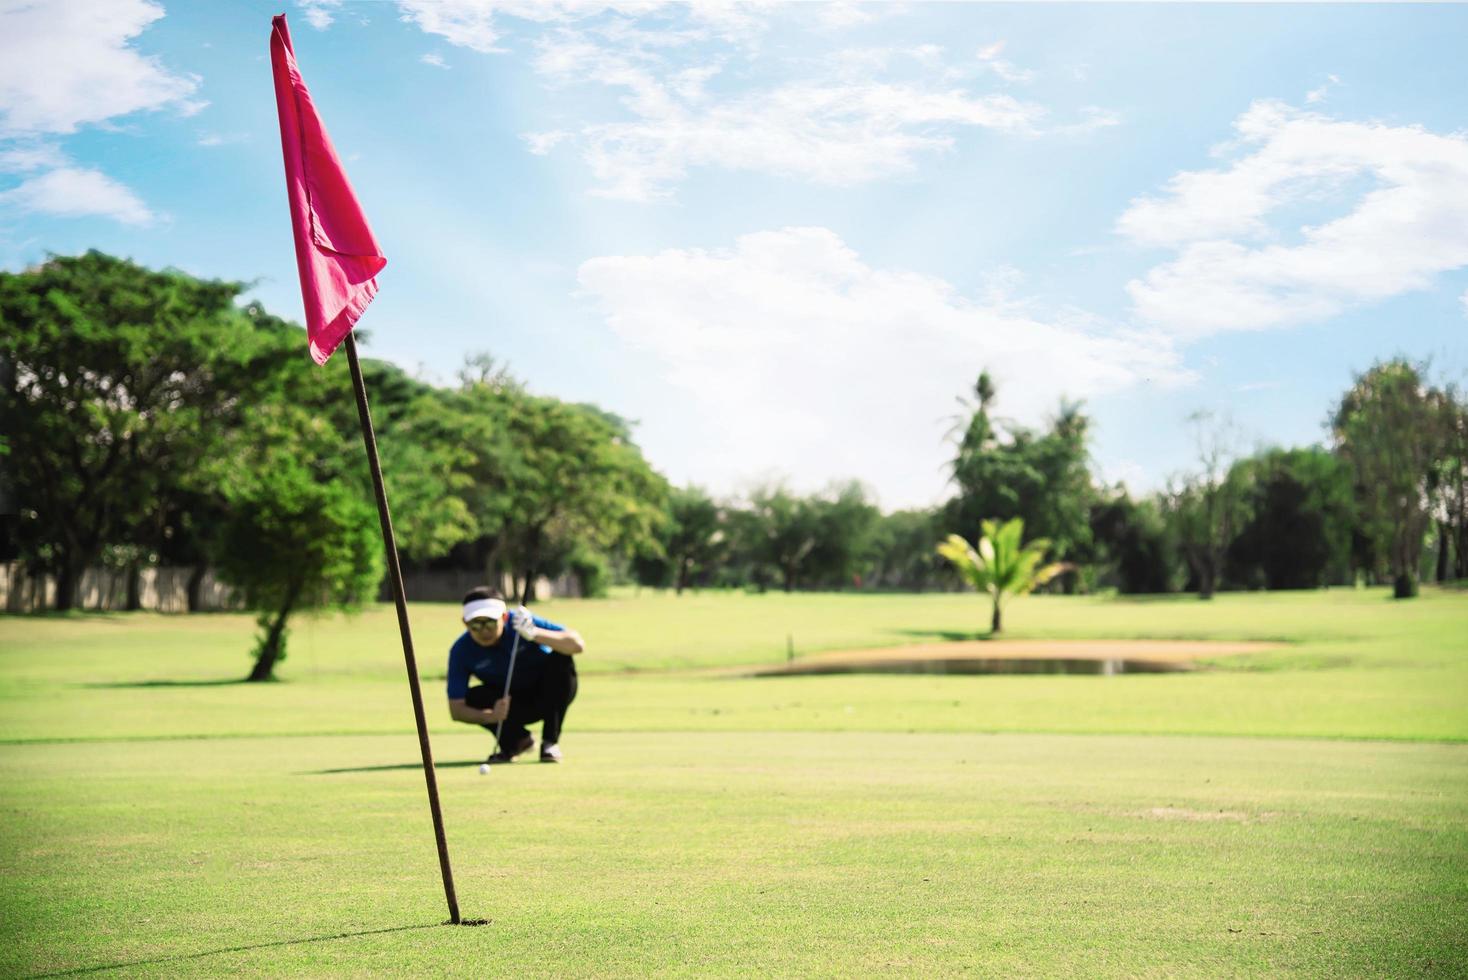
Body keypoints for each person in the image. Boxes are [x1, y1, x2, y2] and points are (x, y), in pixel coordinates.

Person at [446, 586, 584, 764]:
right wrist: (491, 716)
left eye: (490, 622)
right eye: (476, 624)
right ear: (465, 622)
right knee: (474, 697)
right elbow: (456, 710)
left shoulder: (520, 621)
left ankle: (550, 743)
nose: (484, 630)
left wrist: (534, 633)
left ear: (503, 617)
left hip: (550, 696)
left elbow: (577, 644)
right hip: (510, 705)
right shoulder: (461, 650)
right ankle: (516, 742)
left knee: (560, 659)